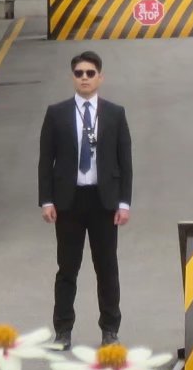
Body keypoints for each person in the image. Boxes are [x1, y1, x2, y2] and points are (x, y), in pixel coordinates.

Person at [38, 49, 132, 346]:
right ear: (73, 77)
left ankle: (110, 330)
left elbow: (125, 161)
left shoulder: (115, 114)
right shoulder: (57, 113)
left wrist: (124, 203)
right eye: (79, 73)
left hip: (104, 203)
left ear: (100, 77)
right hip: (69, 202)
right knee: (67, 268)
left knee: (107, 268)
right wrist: (47, 200)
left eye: (90, 73)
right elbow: (45, 160)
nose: (85, 78)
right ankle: (63, 331)